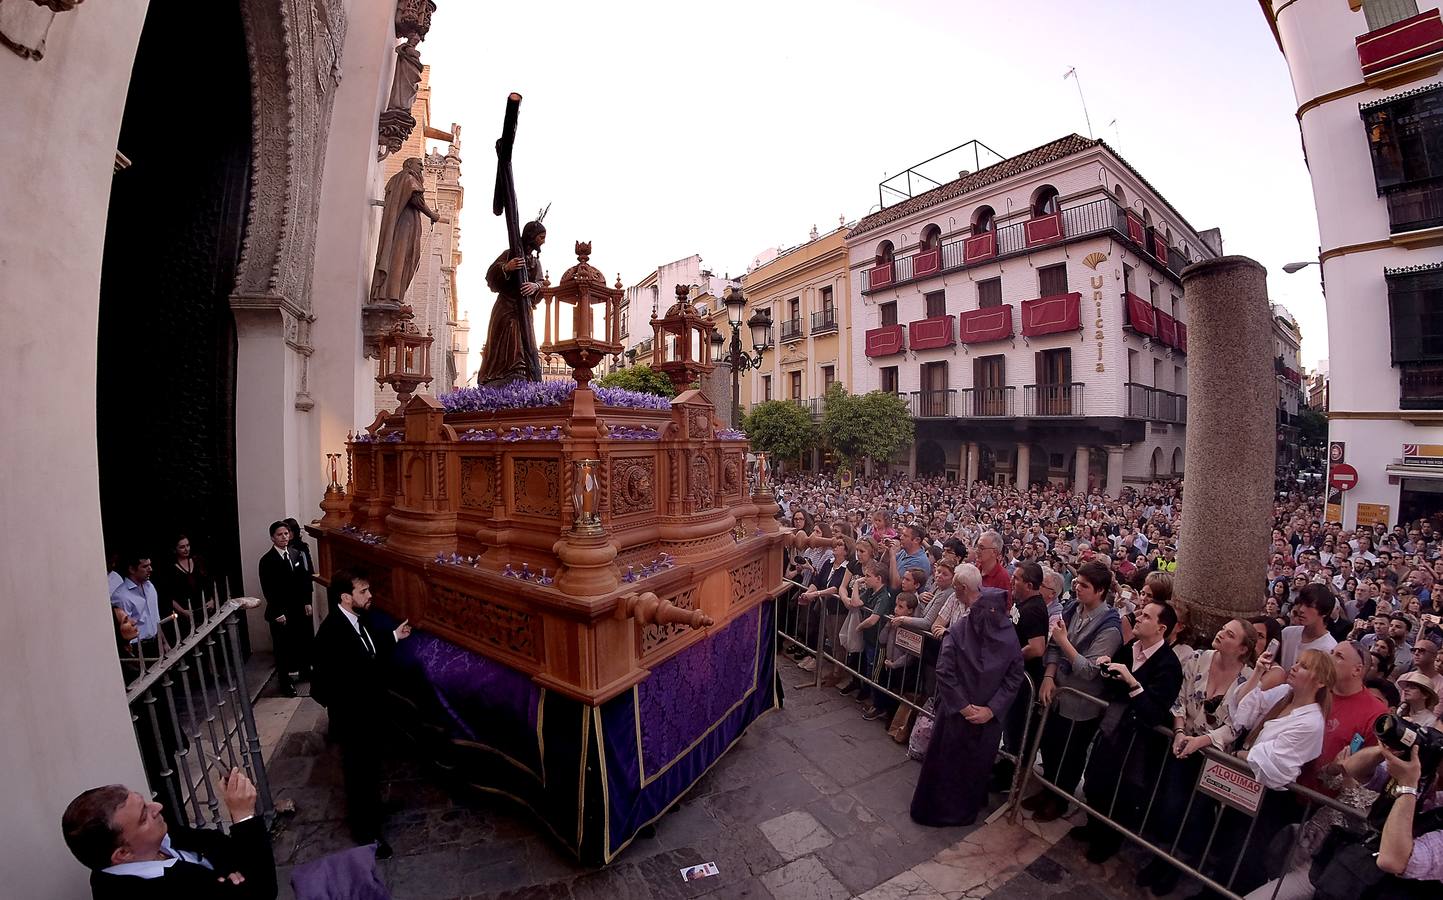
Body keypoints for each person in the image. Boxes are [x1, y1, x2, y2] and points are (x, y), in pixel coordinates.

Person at [1072, 601, 1184, 864]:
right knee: (1096, 781)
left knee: (1122, 793)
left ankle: (1108, 841)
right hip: (1112, 729)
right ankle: (1093, 825)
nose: (1138, 617)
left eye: (1146, 615)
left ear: (1161, 627)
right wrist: (1108, 670)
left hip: (1137, 742)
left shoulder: (1169, 666)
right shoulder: (1129, 649)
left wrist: (1132, 682)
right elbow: (1115, 688)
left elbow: (1154, 711)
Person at [312, 569, 412, 858]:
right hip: (354, 719)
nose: (370, 596)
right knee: (358, 775)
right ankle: (366, 833)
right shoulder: (331, 632)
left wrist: (394, 635)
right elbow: (321, 685)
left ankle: (374, 810)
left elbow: (369, 649)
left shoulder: (360, 619)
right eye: (363, 592)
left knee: (370, 770)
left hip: (371, 714)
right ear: (346, 597)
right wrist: (348, 705)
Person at [62, 768, 275, 899]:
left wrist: (230, 872)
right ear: (123, 854)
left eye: (144, 802)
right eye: (144, 816)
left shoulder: (154, 839)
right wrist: (244, 816)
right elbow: (263, 891)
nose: (157, 807)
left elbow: (215, 842)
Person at [910, 586, 1025, 827]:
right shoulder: (960, 630)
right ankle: (939, 811)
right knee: (947, 765)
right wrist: (964, 706)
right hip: (956, 715)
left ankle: (965, 809)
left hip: (986, 720)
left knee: (975, 766)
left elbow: (1014, 677)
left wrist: (991, 709)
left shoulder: (1008, 636)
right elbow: (945, 670)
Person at [1027, 561, 1123, 823]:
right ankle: (1048, 789)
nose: (1077, 588)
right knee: (1050, 746)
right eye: (1077, 583)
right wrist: (1048, 675)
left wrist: (1063, 641)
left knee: (1070, 754)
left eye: (1084, 585)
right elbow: (1054, 646)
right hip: (1057, 693)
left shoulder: (1110, 627)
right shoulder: (1073, 608)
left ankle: (1060, 799)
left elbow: (1090, 668)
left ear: (1101, 591)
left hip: (1081, 703)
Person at [990, 561, 1050, 792]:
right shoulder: (1022, 603)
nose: (1012, 582)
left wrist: (1012, 658)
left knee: (1017, 729)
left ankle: (1011, 778)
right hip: (1015, 677)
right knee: (1010, 727)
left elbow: (1037, 647)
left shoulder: (1034, 609)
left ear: (1030, 584)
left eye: (1017, 579)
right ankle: (1005, 765)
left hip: (1025, 682)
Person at [476, 220, 546, 385]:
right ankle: (504, 372)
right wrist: (507, 268)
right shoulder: (509, 254)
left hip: (524, 308)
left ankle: (522, 371)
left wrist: (535, 286)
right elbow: (491, 276)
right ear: (532, 236)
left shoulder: (535, 262)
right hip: (506, 306)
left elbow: (542, 284)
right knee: (507, 334)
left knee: (524, 337)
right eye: (541, 237)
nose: (543, 241)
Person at [258, 521, 313, 697]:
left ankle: (305, 671)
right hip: (281, 610)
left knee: (301, 640)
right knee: (283, 648)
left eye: (286, 534)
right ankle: (285, 681)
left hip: (297, 607)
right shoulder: (267, 560)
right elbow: (269, 589)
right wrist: (277, 612)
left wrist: (306, 601)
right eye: (280, 534)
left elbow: (303, 579)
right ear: (273, 537)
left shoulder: (296, 553)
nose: (284, 537)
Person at [1277, 583, 1337, 674]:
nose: (1301, 609)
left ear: (1324, 612)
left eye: (1309, 606)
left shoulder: (1328, 648)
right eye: (1301, 604)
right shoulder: (1287, 633)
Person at [110, 554, 162, 658]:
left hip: (156, 640)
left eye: (150, 565)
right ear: (132, 569)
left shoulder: (150, 586)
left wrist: (163, 642)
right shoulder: (121, 596)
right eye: (144, 566)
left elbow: (156, 617)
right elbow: (122, 628)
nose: (150, 569)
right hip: (138, 647)